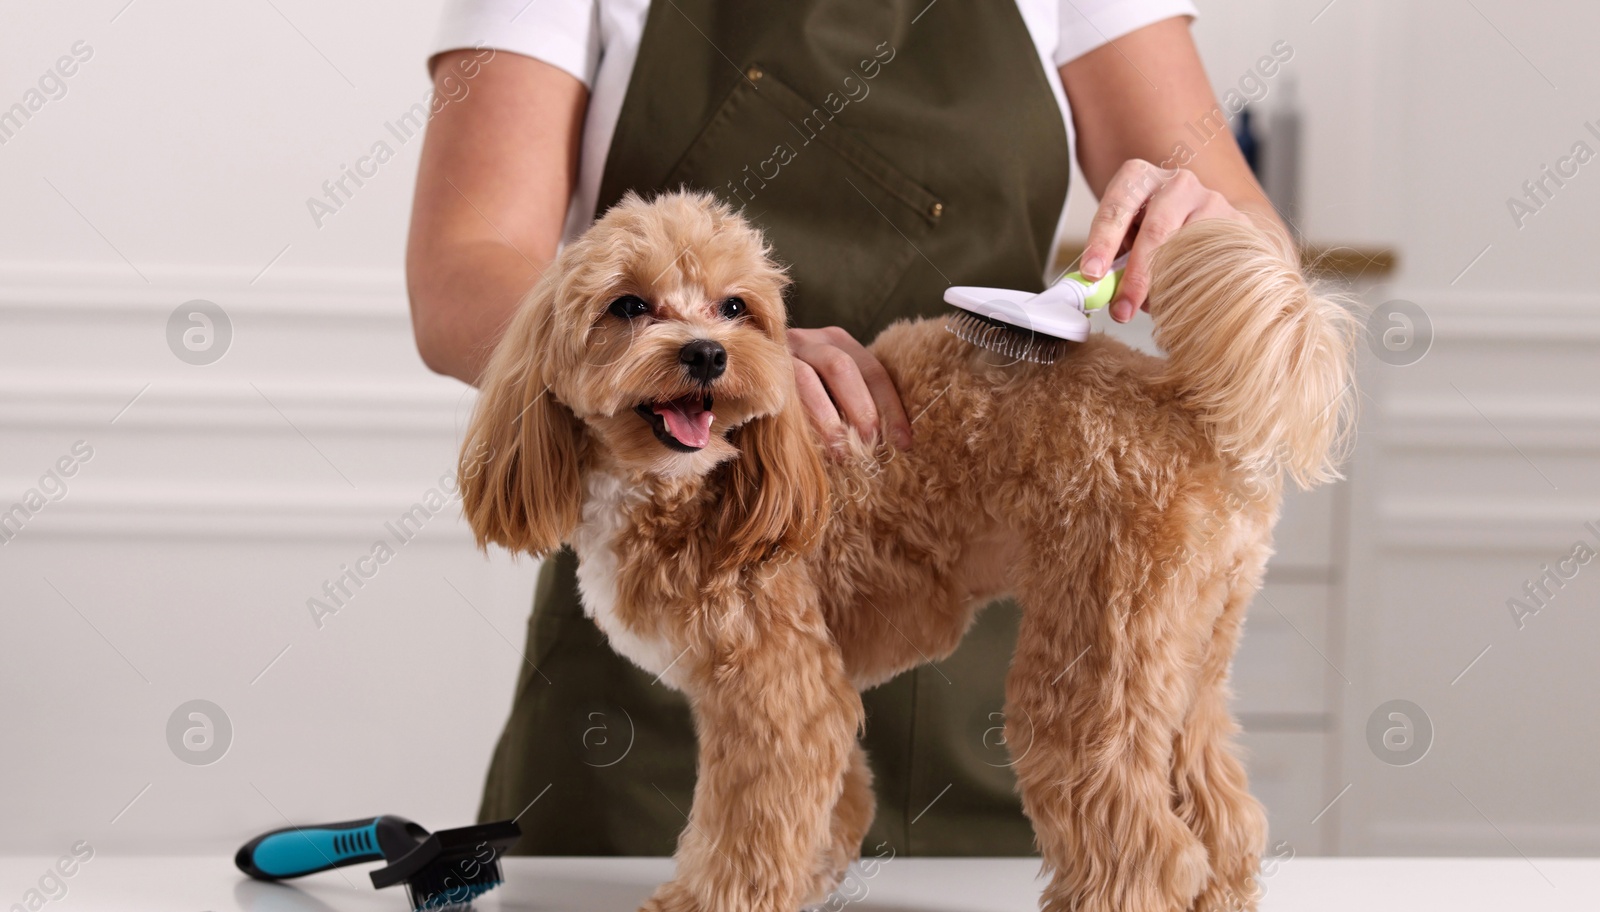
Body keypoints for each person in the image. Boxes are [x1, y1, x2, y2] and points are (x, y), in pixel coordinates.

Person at [408, 0, 1288, 857]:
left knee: (1095, 801)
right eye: (638, 305)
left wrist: (1220, 248)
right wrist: (723, 351)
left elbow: (1249, 228)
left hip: (989, 695)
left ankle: (1119, 855)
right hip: (648, 725)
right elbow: (461, 269)